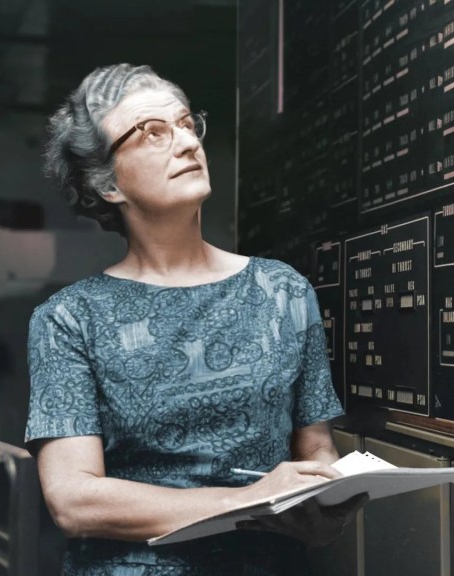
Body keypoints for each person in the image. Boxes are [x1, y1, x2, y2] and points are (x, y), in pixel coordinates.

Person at [25, 63, 359, 575]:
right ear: (108, 184)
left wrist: (327, 512)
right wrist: (249, 500)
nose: (185, 143)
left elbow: (316, 450)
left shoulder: (283, 290)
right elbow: (73, 500)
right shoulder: (70, 318)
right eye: (151, 133)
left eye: (185, 124)